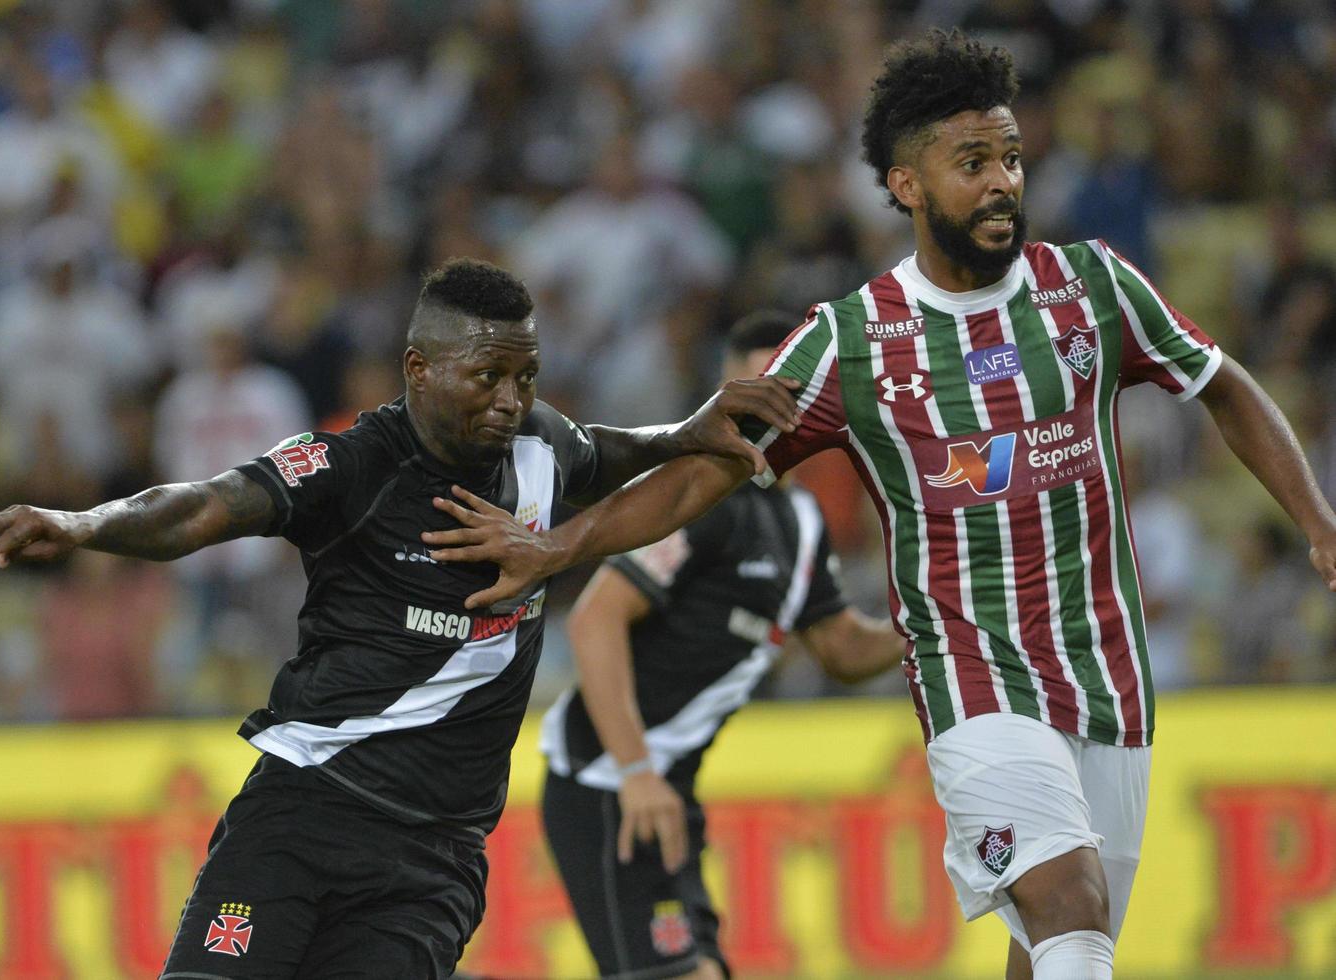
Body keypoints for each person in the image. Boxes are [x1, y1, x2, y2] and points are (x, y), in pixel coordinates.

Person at [421, 32, 1336, 980]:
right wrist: (558, 547)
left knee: (1059, 944)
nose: (1003, 184)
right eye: (972, 162)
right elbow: (702, 473)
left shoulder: (1093, 286)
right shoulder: (849, 344)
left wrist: (1318, 522)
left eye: (1012, 158)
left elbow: (1223, 384)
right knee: (1069, 899)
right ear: (906, 184)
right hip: (973, 683)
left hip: (1108, 681)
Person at [0, 257, 800, 979]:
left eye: (526, 376)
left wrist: (685, 430)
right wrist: (85, 524)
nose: (511, 400)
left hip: (435, 859)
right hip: (309, 811)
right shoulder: (354, 467)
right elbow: (203, 507)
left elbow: (613, 450)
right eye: (488, 376)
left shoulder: (542, 445)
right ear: (418, 368)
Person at [539, 311, 903, 980]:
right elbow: (595, 620)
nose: (771, 407)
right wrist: (637, 770)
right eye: (753, 387)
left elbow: (840, 646)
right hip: (607, 781)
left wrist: (928, 625)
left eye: (786, 391)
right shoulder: (704, 498)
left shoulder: (797, 518)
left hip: (666, 788)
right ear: (723, 392)